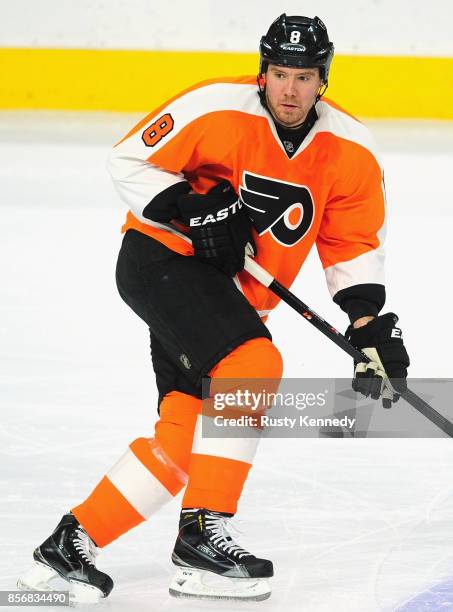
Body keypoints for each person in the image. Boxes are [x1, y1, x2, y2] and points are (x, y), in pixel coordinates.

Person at [18, 14, 410, 603]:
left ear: (322, 78)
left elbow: (352, 242)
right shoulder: (216, 106)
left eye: (304, 77)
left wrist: (368, 325)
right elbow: (128, 159)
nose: (290, 90)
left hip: (224, 295)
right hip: (161, 260)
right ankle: (203, 533)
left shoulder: (350, 150)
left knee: (187, 436)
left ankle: (69, 547)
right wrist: (191, 207)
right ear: (264, 71)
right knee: (255, 362)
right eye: (280, 74)